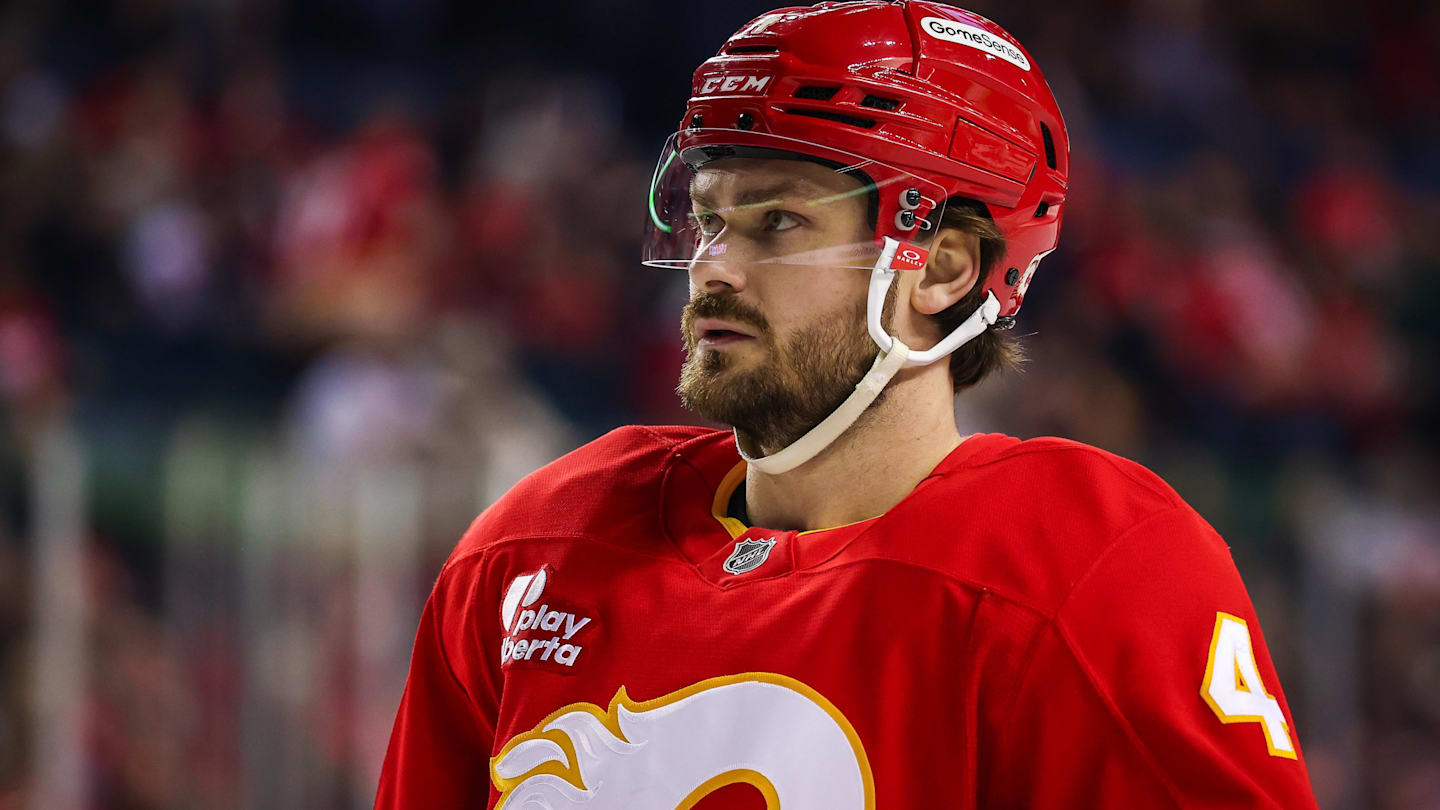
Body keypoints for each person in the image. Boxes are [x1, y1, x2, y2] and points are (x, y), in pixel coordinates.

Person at [375, 2, 1321, 807]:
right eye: (711, 219)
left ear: (945, 266)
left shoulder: (1087, 570)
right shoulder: (536, 545)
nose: (715, 268)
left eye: (777, 221)